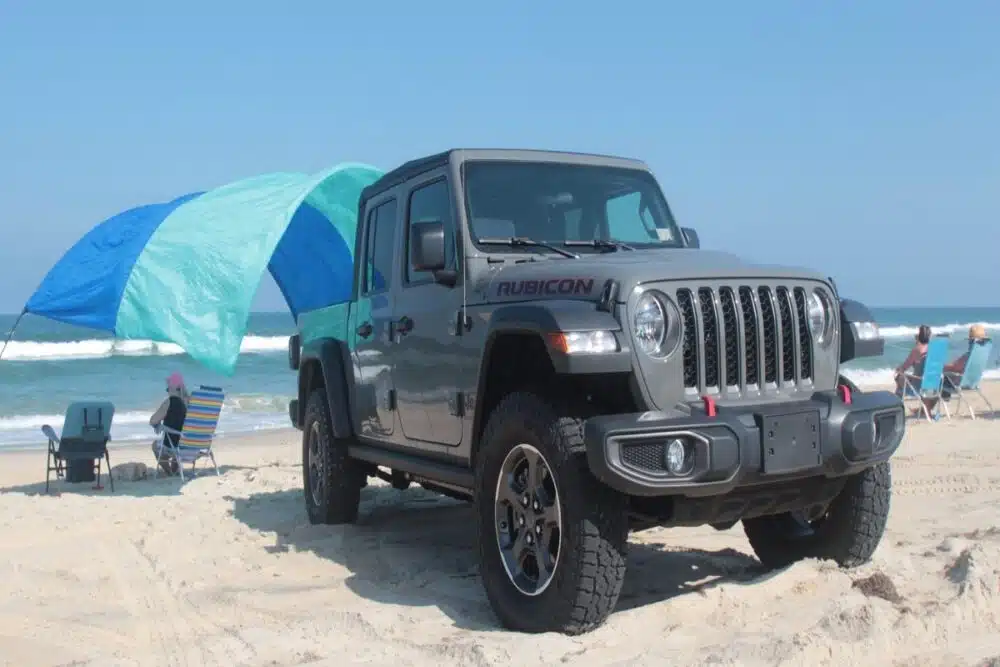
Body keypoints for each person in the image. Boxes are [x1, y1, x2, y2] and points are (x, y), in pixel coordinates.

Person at [149, 372, 189, 475]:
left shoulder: (171, 402)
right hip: (192, 445)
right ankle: (175, 469)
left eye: (168, 389)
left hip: (175, 445)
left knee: (155, 446)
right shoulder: (191, 402)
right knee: (178, 438)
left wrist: (158, 426)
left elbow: (153, 420)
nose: (167, 391)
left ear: (172, 389)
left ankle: (170, 472)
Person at [894, 324, 931, 398]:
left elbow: (903, 368)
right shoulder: (935, 350)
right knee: (909, 377)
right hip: (933, 388)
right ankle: (925, 408)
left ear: (919, 336)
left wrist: (897, 370)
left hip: (919, 389)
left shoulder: (917, 350)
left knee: (899, 377)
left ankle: (898, 403)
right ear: (929, 336)